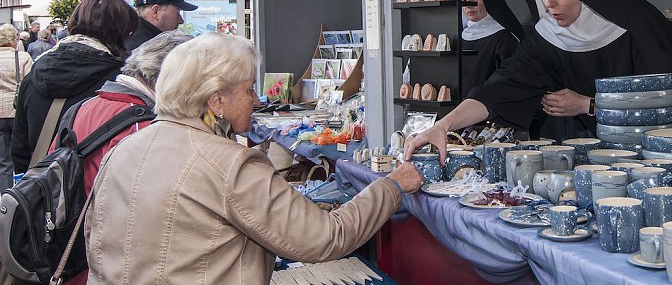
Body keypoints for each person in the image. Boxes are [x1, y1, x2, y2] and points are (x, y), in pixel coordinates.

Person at [84, 33, 422, 284]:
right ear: (216, 101)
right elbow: (325, 237)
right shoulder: (229, 164)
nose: (257, 99)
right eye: (248, 90)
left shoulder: (122, 150)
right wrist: (392, 187)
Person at [406, 0, 672, 160]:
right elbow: (498, 90)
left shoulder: (639, 23)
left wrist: (588, 105)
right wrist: (444, 126)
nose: (548, 2)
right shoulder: (548, 36)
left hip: (669, 153)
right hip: (610, 158)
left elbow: (663, 106)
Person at [49, 31, 193, 285]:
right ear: (173, 79)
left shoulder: (83, 107)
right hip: (108, 265)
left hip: (71, 254)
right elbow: (153, 221)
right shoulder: (144, 126)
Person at [11, 0, 139, 172]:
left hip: (44, 191)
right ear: (121, 32)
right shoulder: (121, 81)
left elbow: (19, 150)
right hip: (95, 191)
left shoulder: (33, 75)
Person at [460, 0, 523, 98]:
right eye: (464, 1)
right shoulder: (459, 38)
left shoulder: (505, 39)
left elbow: (510, 84)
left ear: (489, 0)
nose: (468, 5)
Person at [0, 25, 33, 191]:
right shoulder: (23, 57)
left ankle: (5, 195)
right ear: (14, 39)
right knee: (21, 155)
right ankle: (21, 193)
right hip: (18, 111)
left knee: (4, 160)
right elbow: (31, 84)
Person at [126, 0, 197, 51]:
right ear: (155, 12)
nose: (181, 21)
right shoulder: (150, 50)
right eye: (177, 13)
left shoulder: (131, 39)